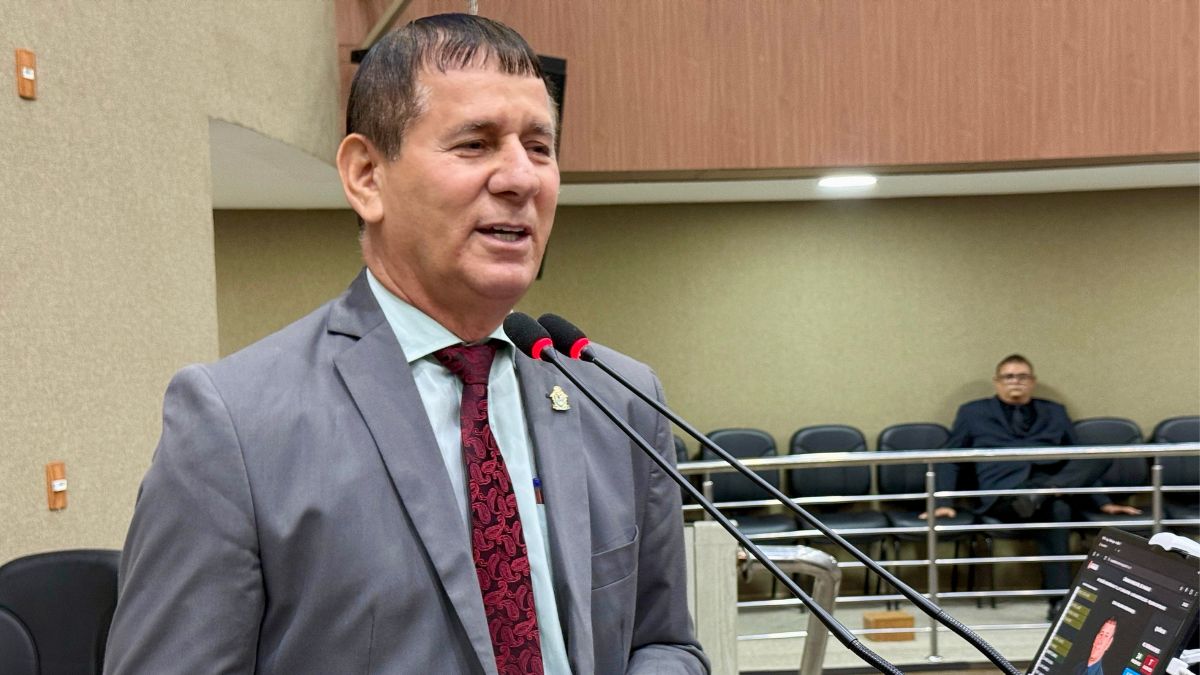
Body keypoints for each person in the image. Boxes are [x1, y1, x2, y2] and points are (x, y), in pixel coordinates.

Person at [104, 14, 707, 675]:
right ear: (366, 175)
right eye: (475, 144)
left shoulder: (618, 400)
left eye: (539, 147)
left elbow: (664, 643)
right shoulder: (235, 426)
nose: (521, 177)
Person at [920, 354, 1139, 616]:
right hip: (1004, 494)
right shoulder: (972, 412)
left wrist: (1103, 503)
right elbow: (950, 459)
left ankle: (1058, 599)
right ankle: (1059, 600)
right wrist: (943, 502)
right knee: (1057, 507)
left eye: (1022, 376)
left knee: (1096, 457)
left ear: (1032, 381)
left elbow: (1078, 457)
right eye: (1009, 377)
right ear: (997, 382)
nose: (1016, 381)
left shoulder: (1054, 411)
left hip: (1048, 486)